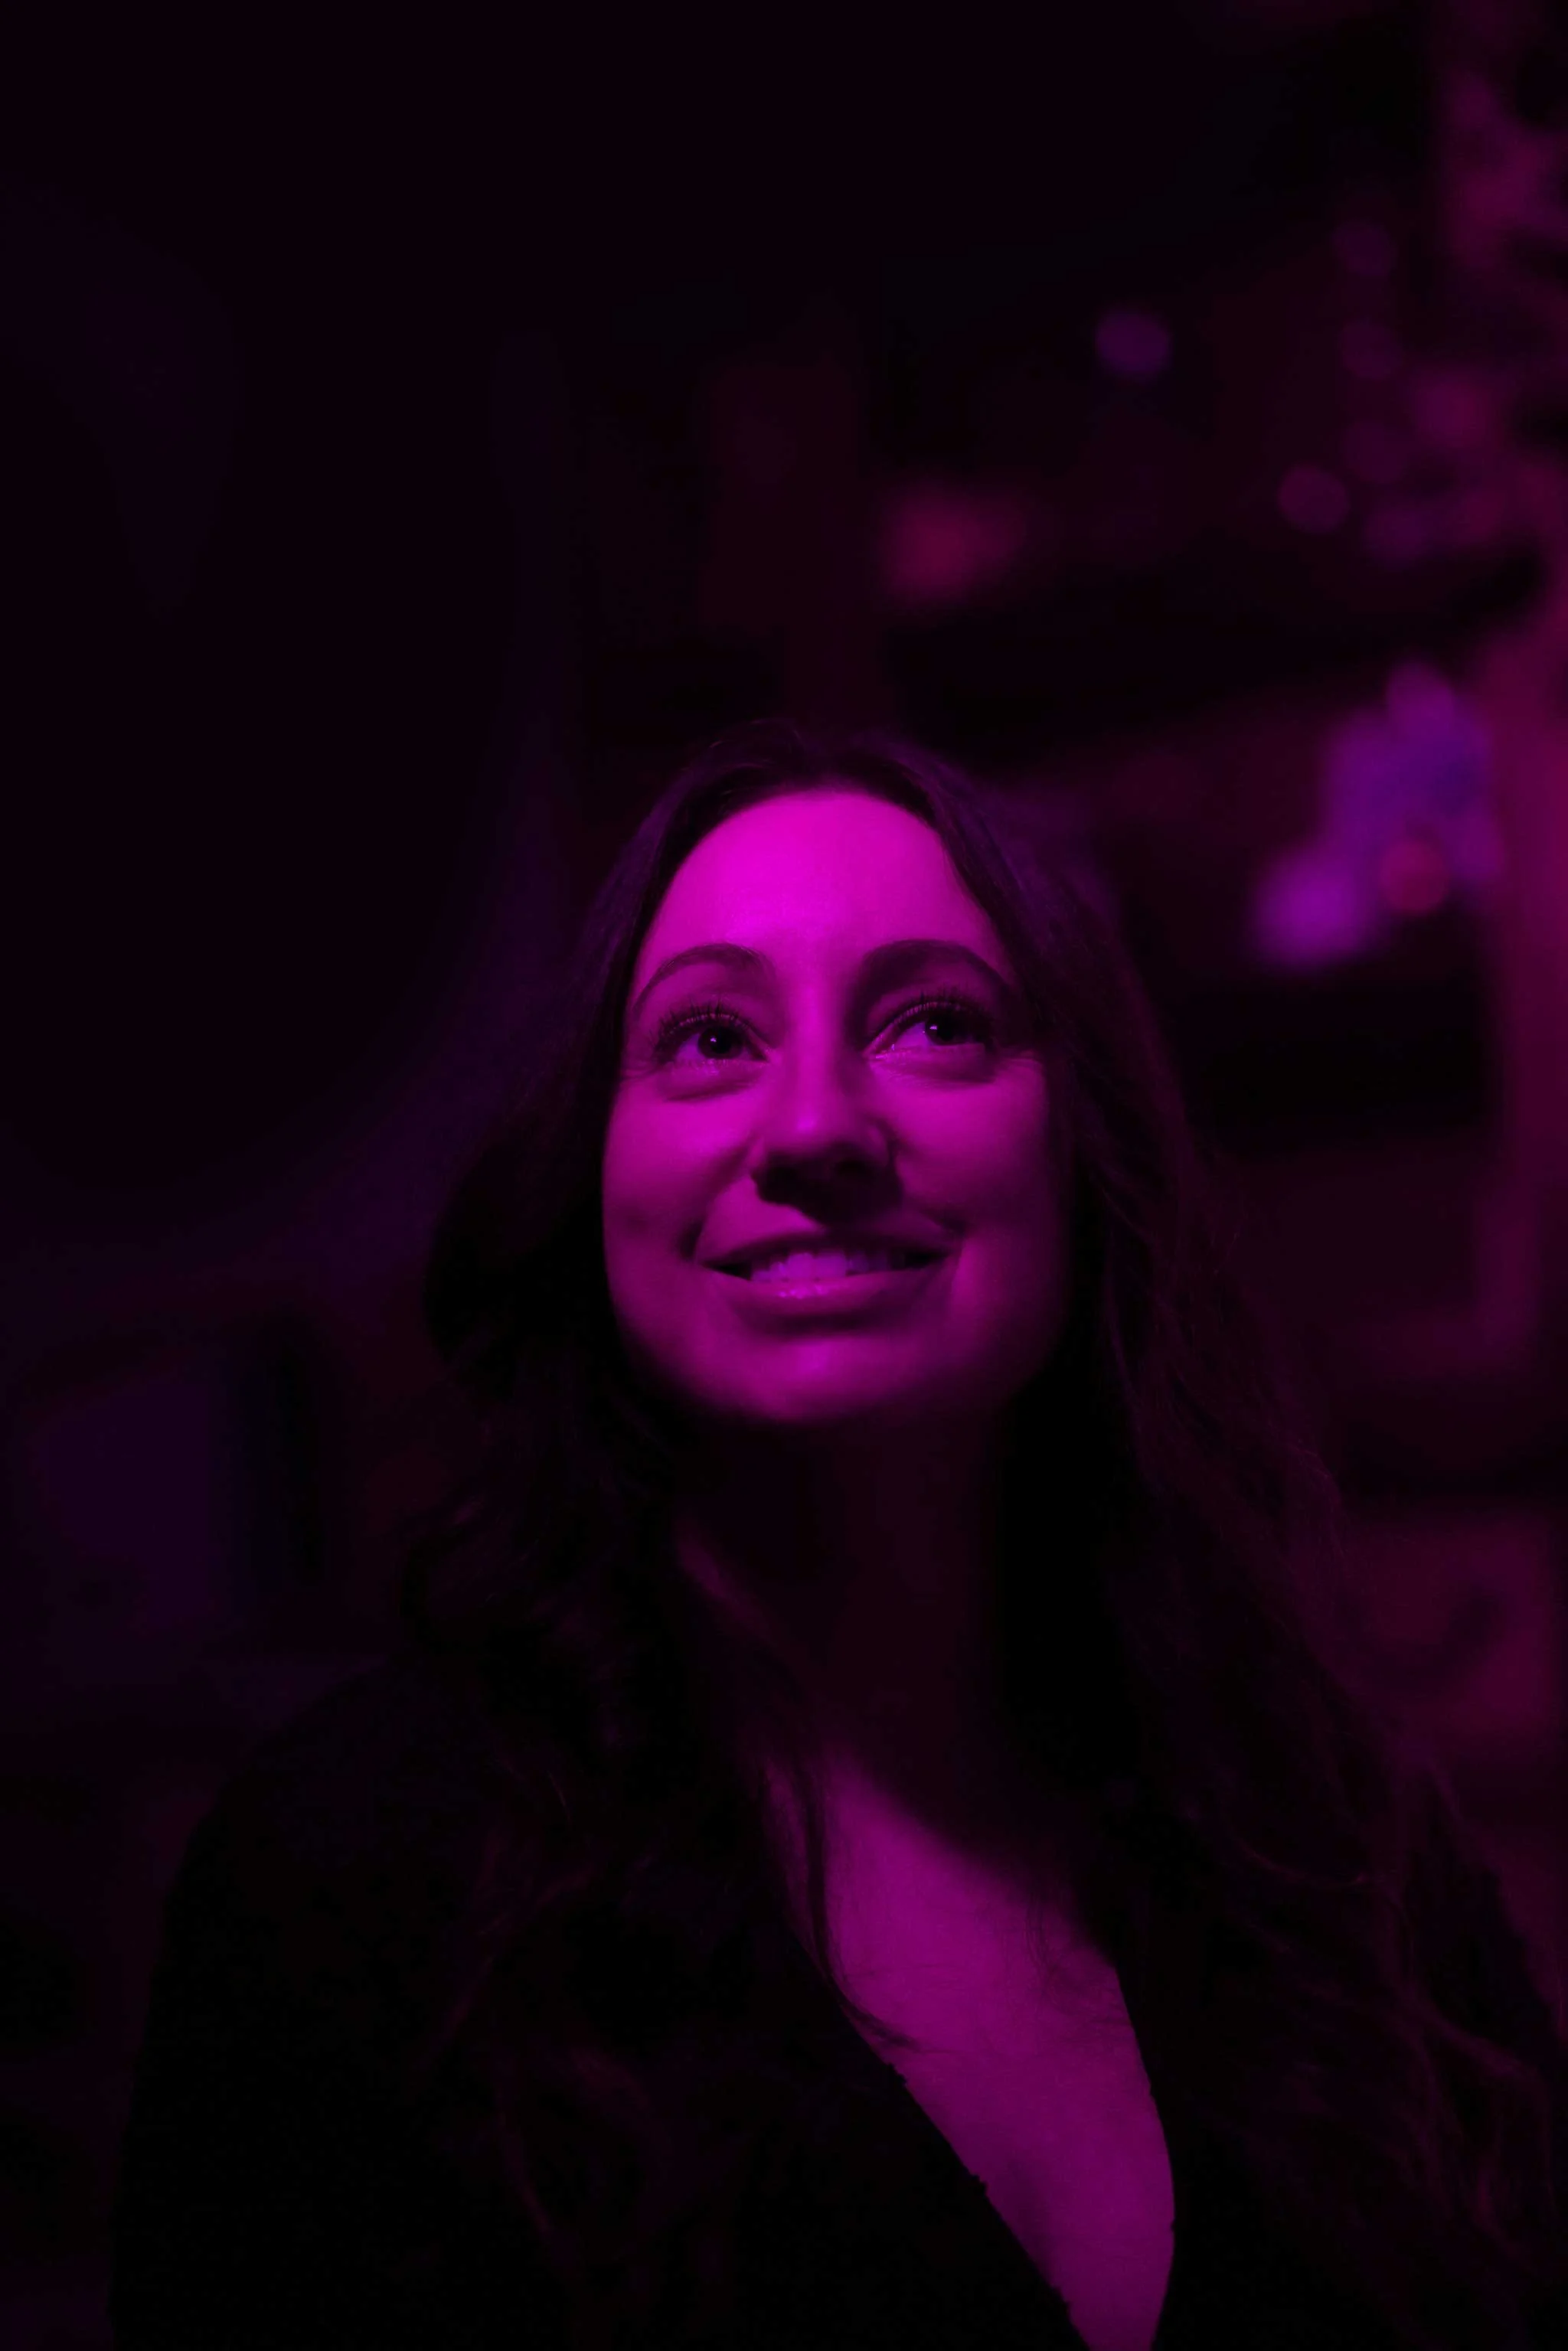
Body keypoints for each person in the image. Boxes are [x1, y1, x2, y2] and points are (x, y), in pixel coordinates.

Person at [110, 721, 1567, 2349]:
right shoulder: (348, 1886)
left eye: (935, 1023)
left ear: (1083, 1159)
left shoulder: (1335, 1848)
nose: (813, 1128)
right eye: (710, 1037)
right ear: (593, 1180)